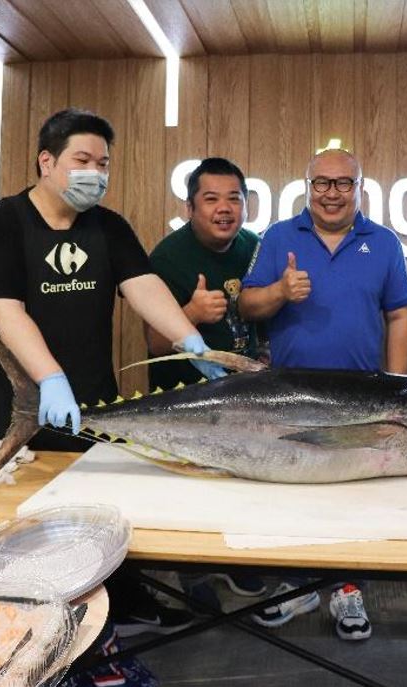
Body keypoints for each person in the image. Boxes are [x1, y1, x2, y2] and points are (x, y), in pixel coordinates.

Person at [0, 108, 226, 647]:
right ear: (47, 162)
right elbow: (3, 310)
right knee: (38, 506)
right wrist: (50, 379)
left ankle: (114, 611)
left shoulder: (107, 226)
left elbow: (143, 286)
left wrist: (191, 340)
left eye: (103, 163)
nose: (95, 173)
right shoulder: (3, 222)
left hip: (92, 387)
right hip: (20, 393)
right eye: (82, 160)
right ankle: (43, 624)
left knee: (98, 504)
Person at [239, 148, 407, 640]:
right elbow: (248, 304)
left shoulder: (383, 242)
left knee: (355, 500)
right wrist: (279, 292)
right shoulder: (278, 237)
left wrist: (395, 388)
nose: (331, 193)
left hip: (361, 396)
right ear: (307, 186)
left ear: (360, 188)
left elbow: (399, 313)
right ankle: (297, 586)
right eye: (322, 183)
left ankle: (348, 589)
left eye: (343, 183)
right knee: (292, 493)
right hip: (289, 395)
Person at [144, 156, 266, 606]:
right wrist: (191, 315)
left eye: (234, 198)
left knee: (242, 480)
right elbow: (155, 343)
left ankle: (236, 559)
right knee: (190, 490)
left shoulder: (254, 247)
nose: (224, 208)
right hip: (184, 400)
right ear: (190, 207)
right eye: (211, 199)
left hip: (244, 398)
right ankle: (192, 570)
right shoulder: (167, 257)